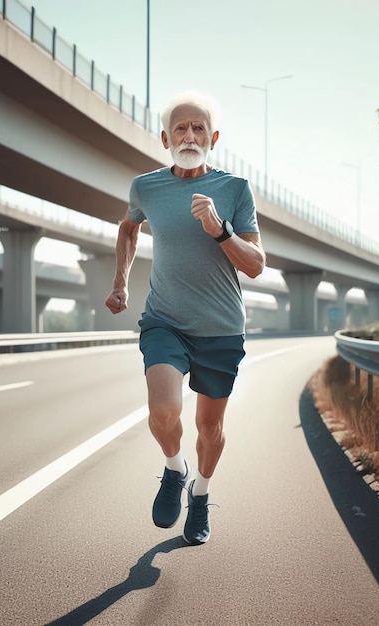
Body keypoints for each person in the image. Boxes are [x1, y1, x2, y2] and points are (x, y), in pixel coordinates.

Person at [105, 90, 266, 545]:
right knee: (162, 409)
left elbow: (255, 265)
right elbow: (128, 226)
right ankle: (175, 469)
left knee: (210, 429)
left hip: (220, 328)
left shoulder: (235, 190)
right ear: (164, 138)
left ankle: (200, 493)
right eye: (180, 127)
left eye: (198, 128)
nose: (189, 135)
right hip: (165, 320)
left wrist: (221, 230)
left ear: (213, 137)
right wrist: (120, 280)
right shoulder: (146, 187)